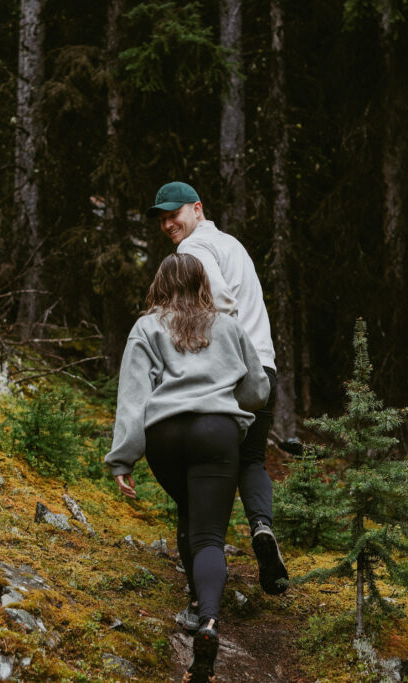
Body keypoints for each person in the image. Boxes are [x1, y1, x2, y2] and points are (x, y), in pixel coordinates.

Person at [105, 253, 270, 683]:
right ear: (203, 284)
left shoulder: (146, 327)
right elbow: (256, 392)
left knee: (189, 512)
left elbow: (133, 398)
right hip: (217, 434)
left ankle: (195, 606)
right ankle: (210, 622)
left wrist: (123, 457)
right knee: (210, 533)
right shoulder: (229, 326)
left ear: (159, 284)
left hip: (166, 436)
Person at [146, 182, 290, 620]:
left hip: (230, 371)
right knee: (251, 462)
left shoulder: (197, 247)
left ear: (197, 208)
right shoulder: (232, 244)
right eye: (163, 217)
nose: (170, 223)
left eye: (176, 213)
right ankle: (261, 526)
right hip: (262, 368)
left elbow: (221, 303)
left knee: (201, 481)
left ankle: (199, 600)